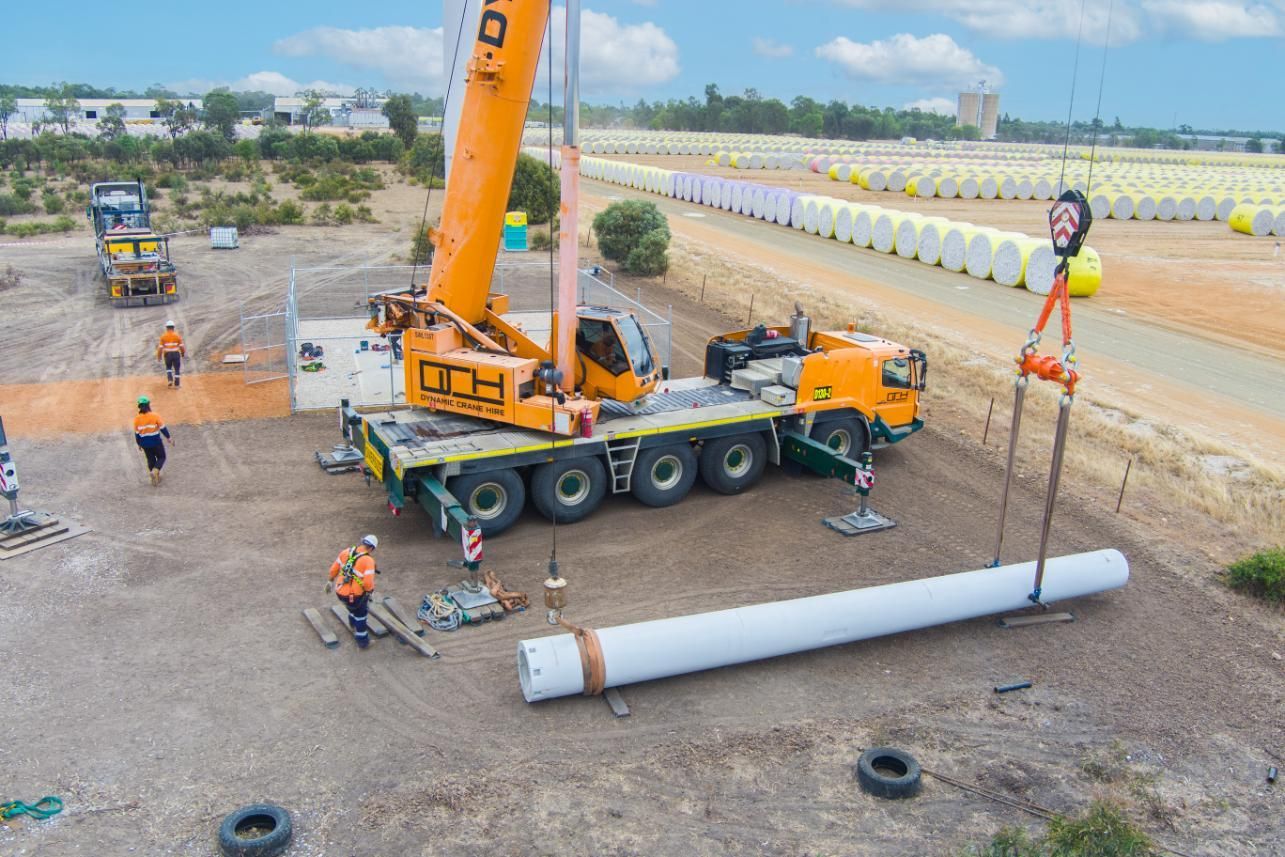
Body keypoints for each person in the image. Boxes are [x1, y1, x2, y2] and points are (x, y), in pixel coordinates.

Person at [327, 535, 379, 648]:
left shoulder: (346, 552)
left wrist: (330, 581)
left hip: (340, 590)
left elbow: (334, 569)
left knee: (351, 607)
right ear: (372, 548)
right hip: (354, 595)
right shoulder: (368, 560)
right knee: (361, 614)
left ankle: (352, 623)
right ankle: (363, 641)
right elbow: (367, 583)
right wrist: (370, 592)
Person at [133, 396, 173, 486]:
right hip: (156, 442)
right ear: (148, 405)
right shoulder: (155, 416)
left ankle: (155, 478)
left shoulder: (136, 419)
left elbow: (137, 433)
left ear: (139, 407)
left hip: (144, 444)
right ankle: (155, 471)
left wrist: (139, 444)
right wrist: (168, 437)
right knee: (162, 457)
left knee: (150, 460)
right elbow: (162, 428)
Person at [156, 321, 186, 388]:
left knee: (168, 368)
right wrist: (183, 353)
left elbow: (160, 348)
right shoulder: (177, 336)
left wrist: (159, 356)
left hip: (167, 355)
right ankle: (177, 385)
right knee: (177, 369)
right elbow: (181, 346)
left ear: (166, 328)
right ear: (173, 327)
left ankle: (170, 380)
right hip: (176, 354)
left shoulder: (163, 337)